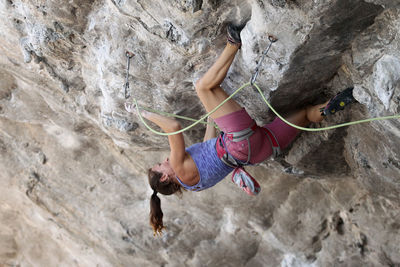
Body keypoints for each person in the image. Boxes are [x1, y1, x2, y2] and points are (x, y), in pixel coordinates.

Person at [125, 24, 355, 235]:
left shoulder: (193, 184)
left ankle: (327, 109)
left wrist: (211, 119)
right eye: (160, 165)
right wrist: (143, 114)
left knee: (305, 114)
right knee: (203, 87)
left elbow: (209, 148)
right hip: (239, 140)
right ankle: (233, 43)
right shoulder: (178, 167)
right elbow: (173, 128)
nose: (164, 160)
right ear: (165, 176)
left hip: (258, 151)